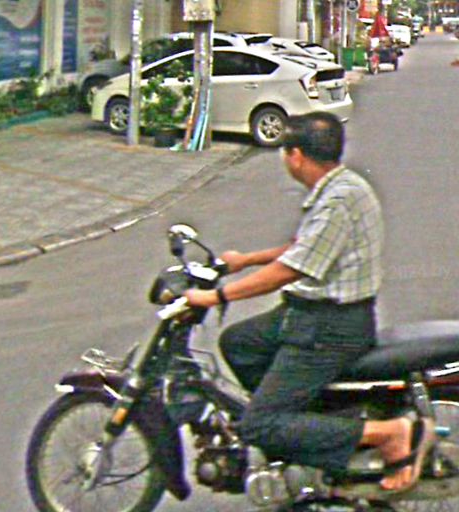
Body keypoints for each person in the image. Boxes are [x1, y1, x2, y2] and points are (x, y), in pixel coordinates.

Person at [184, 111, 435, 492]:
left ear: (296, 156)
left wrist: (214, 296)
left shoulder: (338, 201)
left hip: (329, 328)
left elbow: (290, 269)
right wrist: (245, 260)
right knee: (238, 343)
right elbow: (305, 247)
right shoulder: (340, 187)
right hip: (307, 316)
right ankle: (304, 427)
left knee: (257, 425)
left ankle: (389, 433)